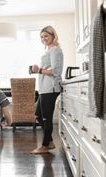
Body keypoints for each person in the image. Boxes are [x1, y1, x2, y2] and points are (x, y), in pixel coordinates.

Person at [30, 25, 64, 154]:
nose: (43, 38)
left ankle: (44, 145)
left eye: (46, 36)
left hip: (51, 87)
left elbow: (55, 71)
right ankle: (49, 142)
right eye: (42, 37)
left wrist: (38, 70)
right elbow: (48, 69)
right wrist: (38, 69)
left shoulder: (55, 50)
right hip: (44, 88)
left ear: (53, 36)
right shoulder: (48, 50)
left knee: (46, 118)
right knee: (38, 115)